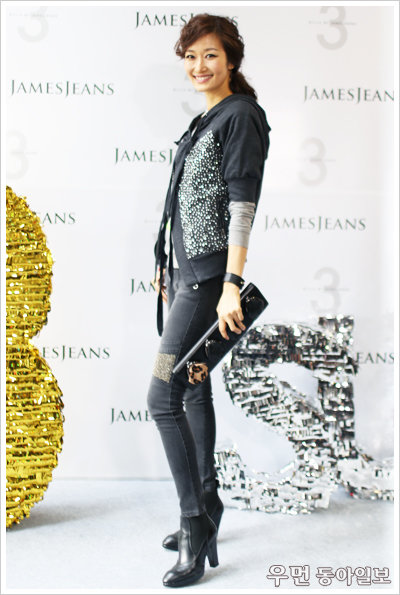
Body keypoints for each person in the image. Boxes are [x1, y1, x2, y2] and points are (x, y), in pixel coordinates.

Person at [147, 13, 271, 588]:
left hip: (208, 282)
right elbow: (189, 206)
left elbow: (242, 205)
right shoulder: (206, 118)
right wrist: (166, 267)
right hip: (186, 276)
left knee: (162, 394)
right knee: (193, 387)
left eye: (211, 55)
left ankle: (194, 522)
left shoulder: (240, 115)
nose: (199, 66)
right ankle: (208, 500)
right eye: (191, 56)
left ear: (231, 60)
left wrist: (230, 285)